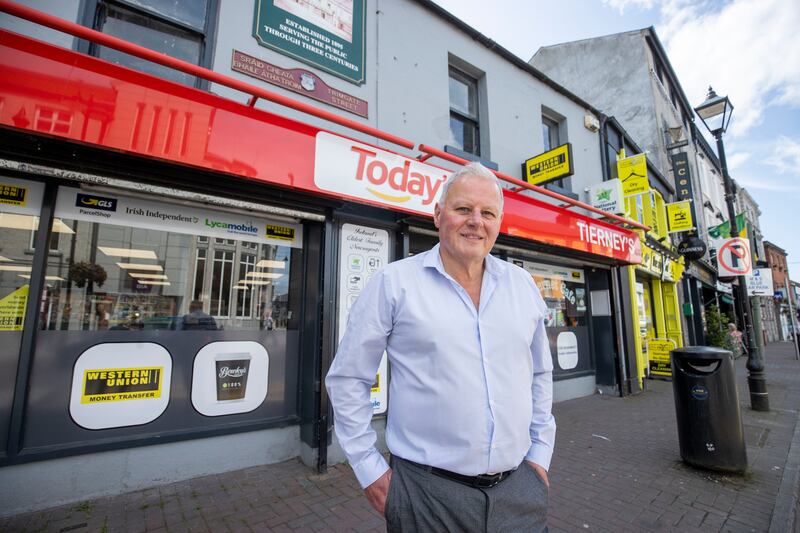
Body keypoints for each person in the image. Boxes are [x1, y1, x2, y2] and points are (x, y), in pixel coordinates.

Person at [326, 162, 556, 532]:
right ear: (438, 215)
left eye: (487, 213)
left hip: (519, 491)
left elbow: (540, 373)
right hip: (426, 496)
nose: (476, 221)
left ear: (499, 222)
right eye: (463, 209)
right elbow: (348, 378)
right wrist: (370, 470)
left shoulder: (523, 286)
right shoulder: (394, 283)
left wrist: (540, 456)